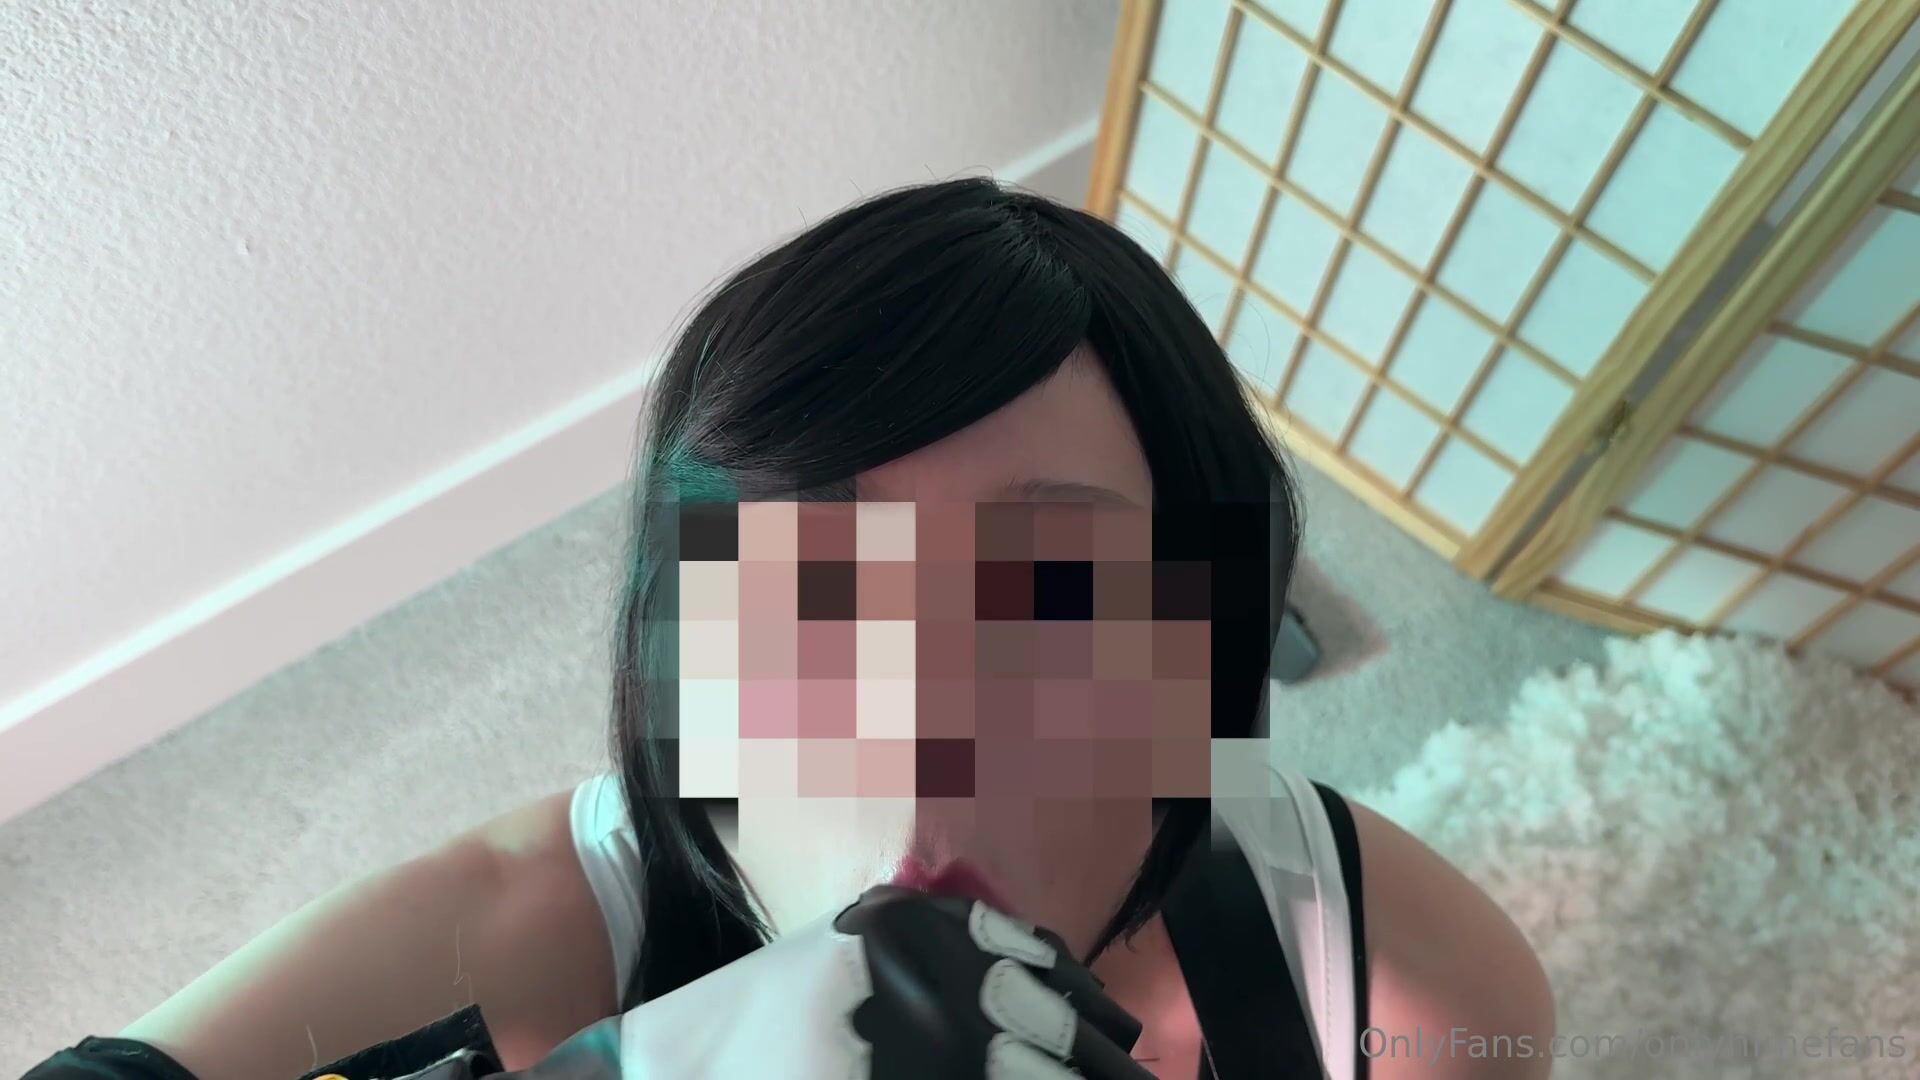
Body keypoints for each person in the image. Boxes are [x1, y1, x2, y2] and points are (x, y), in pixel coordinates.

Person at [107, 179, 1554, 1079]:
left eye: (1059, 594)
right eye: (813, 596)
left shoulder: (1403, 981)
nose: (924, 733)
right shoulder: (524, 937)